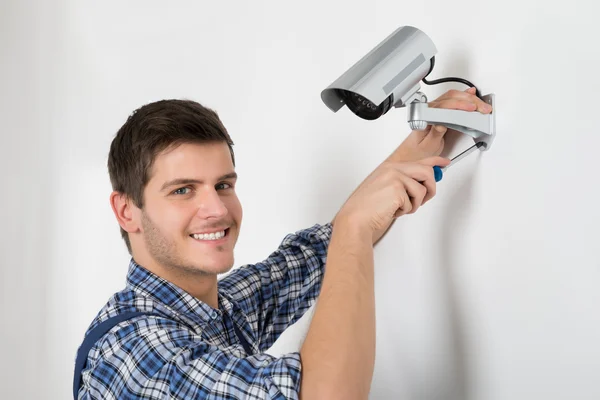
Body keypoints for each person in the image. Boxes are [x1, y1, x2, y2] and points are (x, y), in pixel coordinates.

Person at [73, 87, 492, 399]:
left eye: (223, 185)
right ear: (127, 211)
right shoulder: (134, 353)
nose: (216, 210)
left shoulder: (216, 309)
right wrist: (354, 229)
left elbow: (311, 256)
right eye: (183, 190)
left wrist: (427, 138)